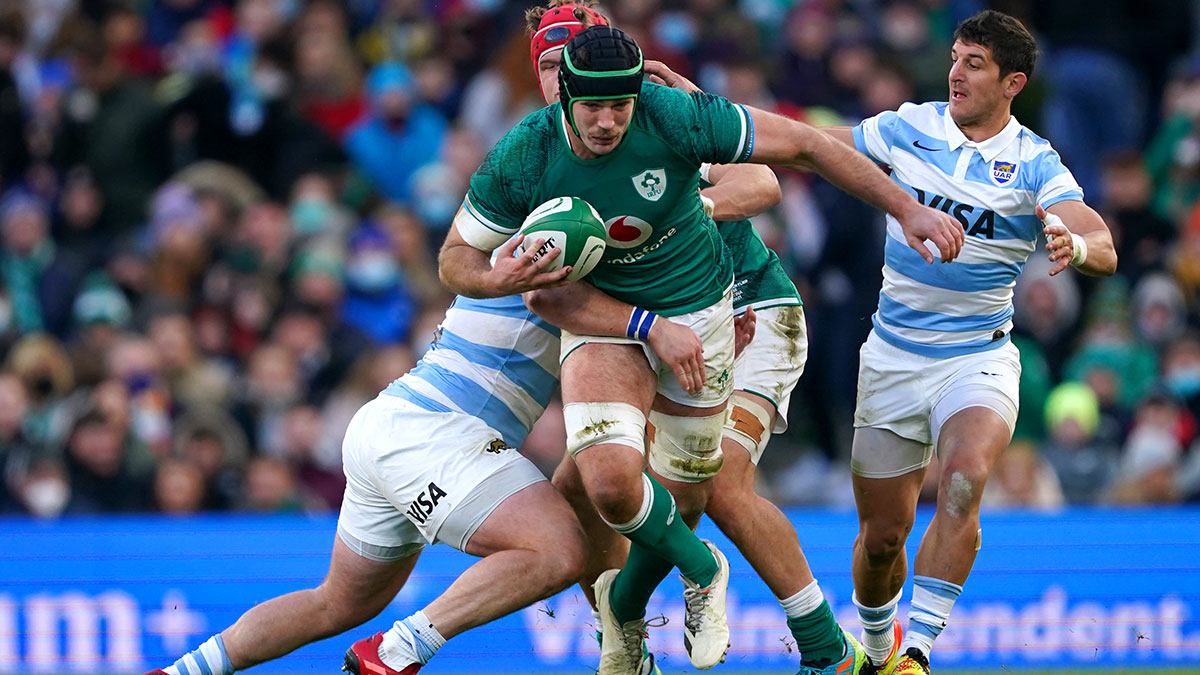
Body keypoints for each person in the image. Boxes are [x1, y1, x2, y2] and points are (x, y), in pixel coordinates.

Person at [438, 23, 964, 675]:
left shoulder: (669, 110)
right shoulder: (529, 156)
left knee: (715, 483)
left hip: (749, 306)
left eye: (616, 100)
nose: (602, 115)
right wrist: (507, 275)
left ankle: (829, 652)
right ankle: (623, 625)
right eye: (547, 67)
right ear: (550, 78)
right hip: (647, 329)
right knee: (584, 483)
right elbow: (486, 268)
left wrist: (684, 210)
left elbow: (767, 185)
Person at [139, 272, 709, 675]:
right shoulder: (568, 252)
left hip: (392, 425)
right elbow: (557, 299)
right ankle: (398, 649)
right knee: (558, 550)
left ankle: (183, 672)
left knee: (337, 603)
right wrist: (667, 326)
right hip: (432, 432)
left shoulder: (522, 233)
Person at [822, 10, 1117, 675]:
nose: (956, 71)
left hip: (977, 355)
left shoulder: (1035, 161)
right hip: (893, 356)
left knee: (962, 481)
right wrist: (709, 119)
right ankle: (877, 649)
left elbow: (1100, 240)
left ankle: (918, 654)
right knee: (881, 539)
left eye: (974, 63)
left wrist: (1079, 244)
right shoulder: (907, 127)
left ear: (1012, 82)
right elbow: (814, 145)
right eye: (955, 57)